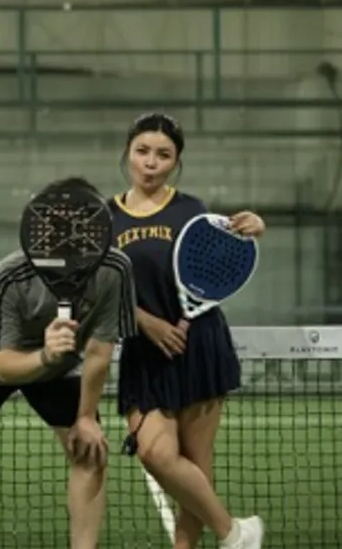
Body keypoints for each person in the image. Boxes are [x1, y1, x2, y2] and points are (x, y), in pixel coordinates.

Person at [0, 177, 137, 549]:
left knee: (89, 454)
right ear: (40, 224)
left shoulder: (115, 269)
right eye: (57, 222)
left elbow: (99, 351)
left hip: (61, 365)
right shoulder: (8, 275)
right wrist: (45, 354)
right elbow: (4, 365)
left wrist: (85, 417)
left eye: (79, 221)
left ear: (96, 225)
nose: (67, 231)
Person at [111, 113, 267, 549]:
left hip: (199, 346)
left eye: (163, 155)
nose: (151, 163)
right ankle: (236, 533)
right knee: (155, 453)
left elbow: (224, 256)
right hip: (144, 352)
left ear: (176, 162)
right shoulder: (107, 217)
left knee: (196, 462)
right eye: (142, 151)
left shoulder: (192, 210)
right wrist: (145, 321)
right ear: (128, 153)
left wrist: (253, 226)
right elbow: (101, 290)